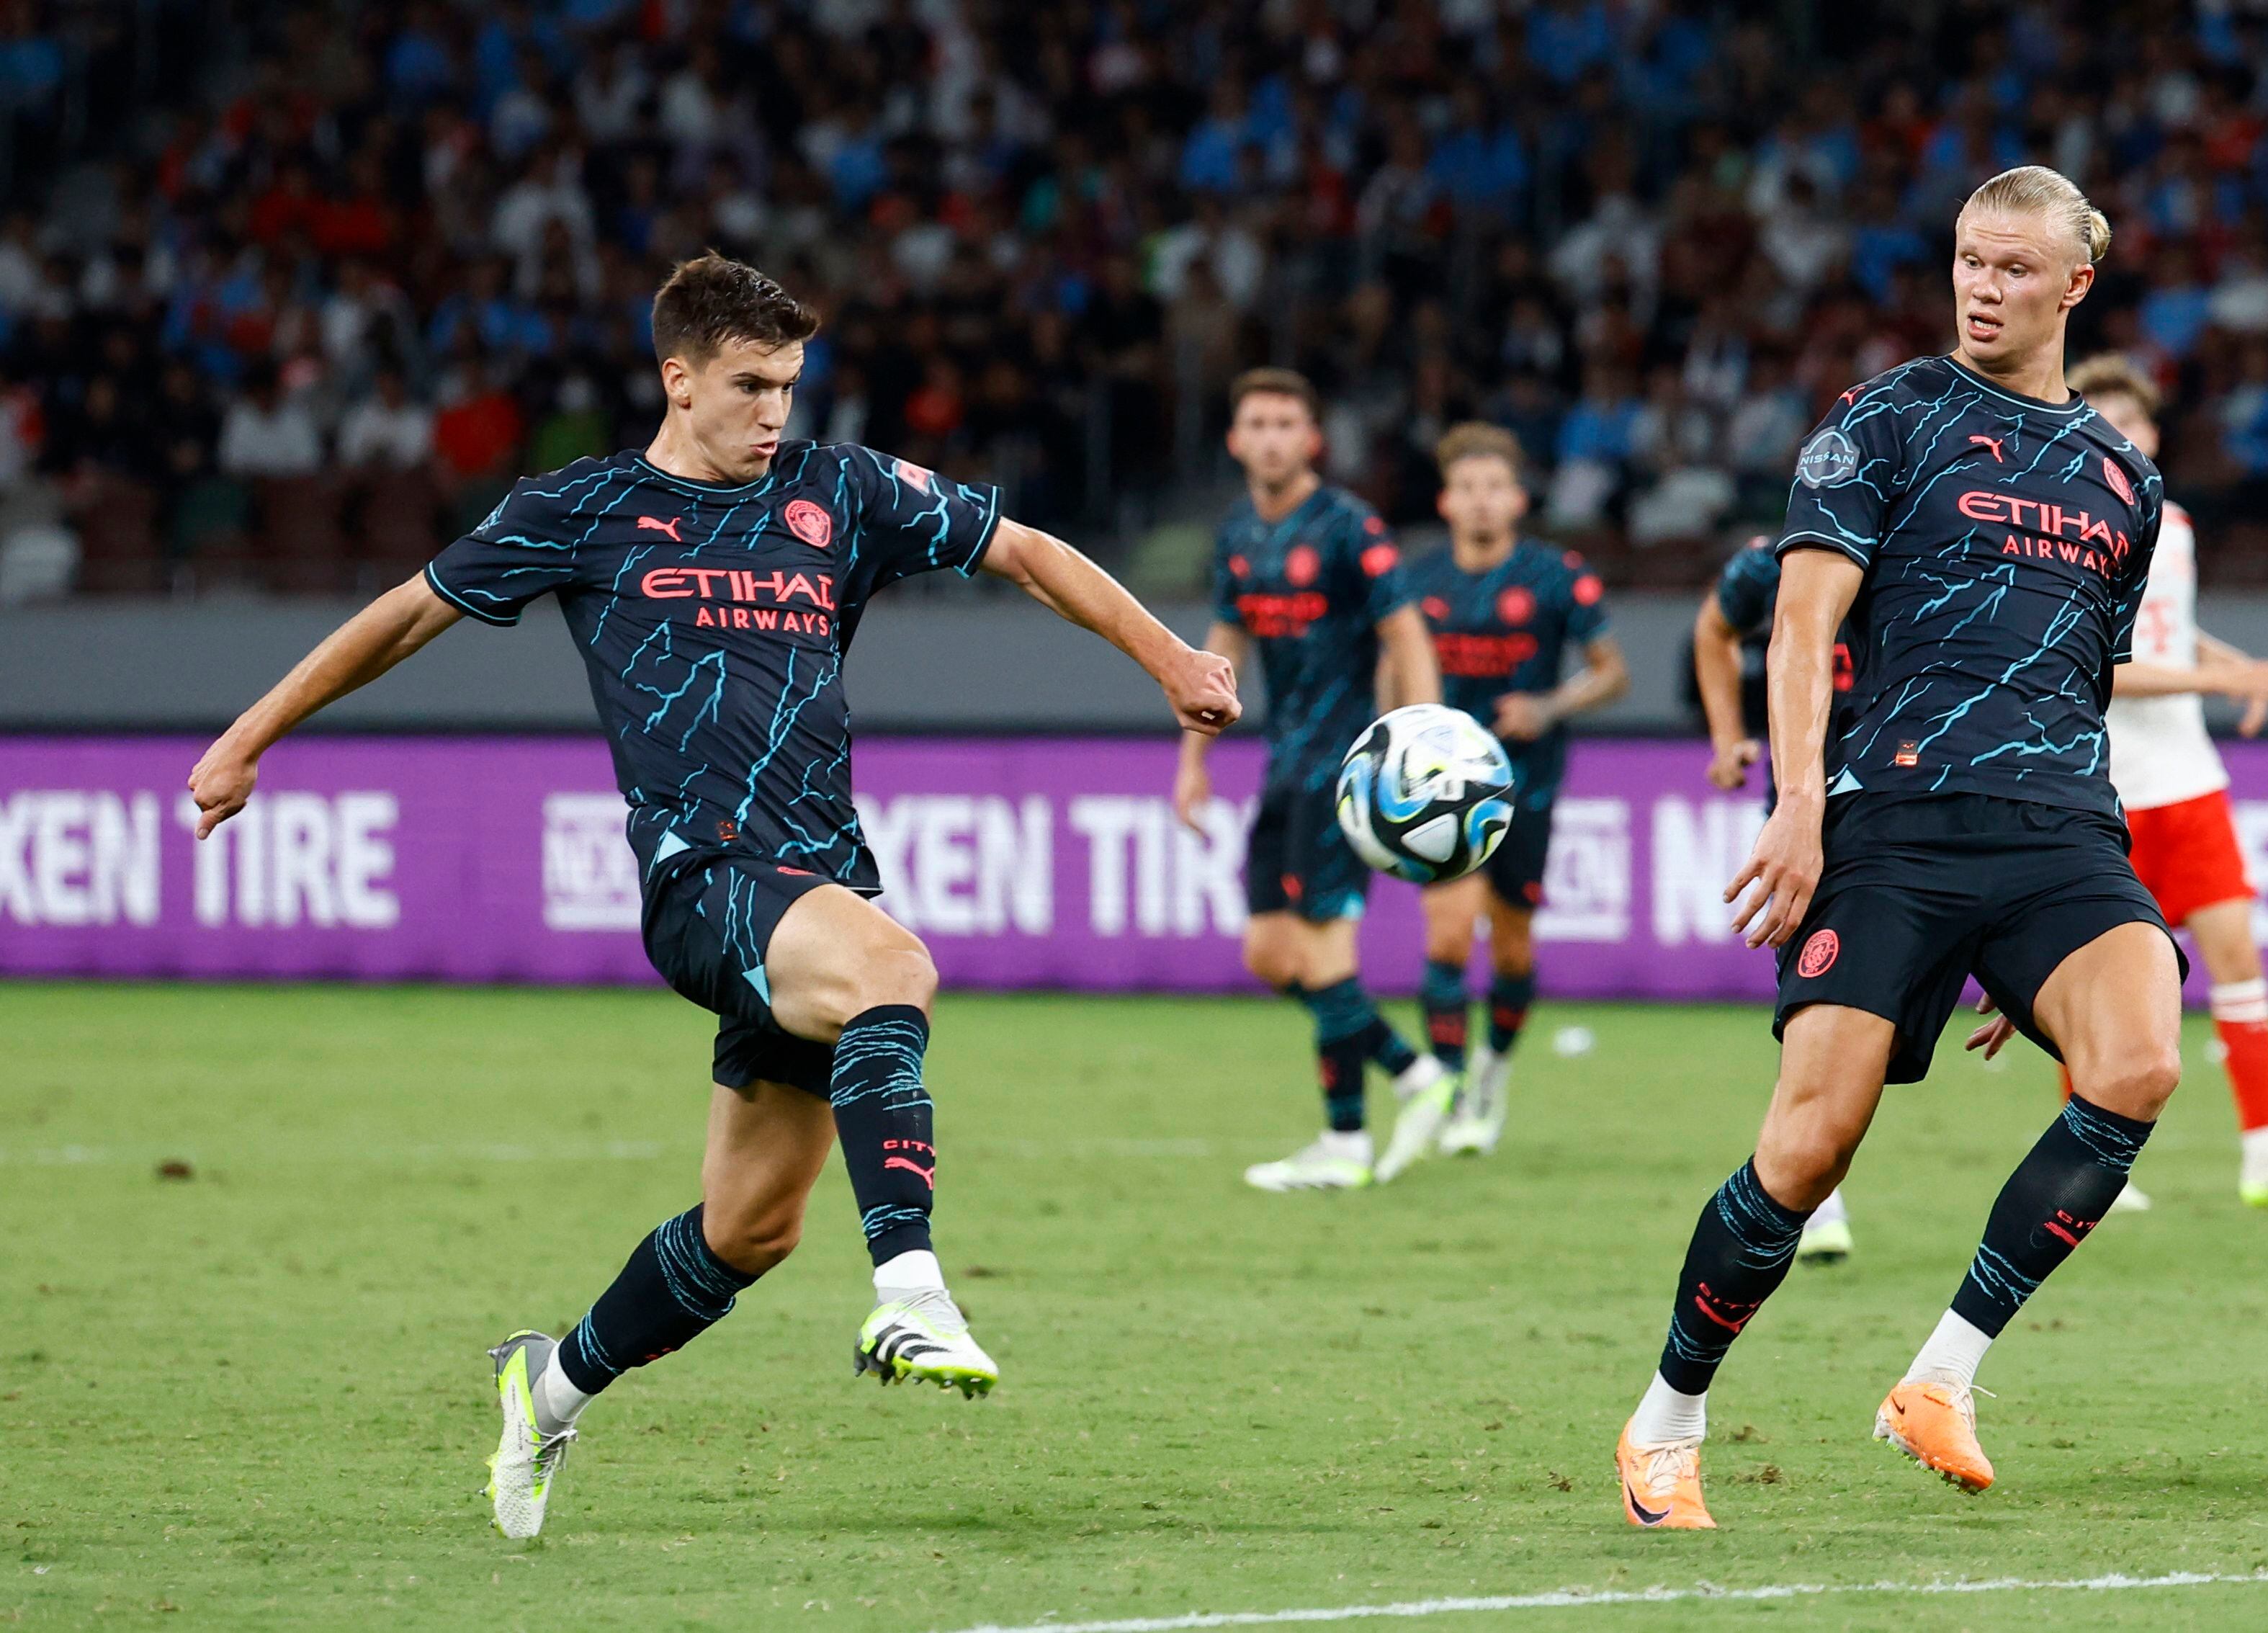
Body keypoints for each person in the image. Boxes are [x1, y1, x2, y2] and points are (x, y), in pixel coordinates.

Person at [187, 255, 1240, 1540]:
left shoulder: (842, 488)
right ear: (678, 379)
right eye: (749, 385)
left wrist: (1168, 656)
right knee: (895, 970)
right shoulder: (584, 507)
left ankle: (548, 1386)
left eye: (787, 385)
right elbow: (405, 618)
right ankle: (911, 1290)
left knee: (750, 1228)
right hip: (702, 874)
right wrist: (249, 734)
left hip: (815, 878)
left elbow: (1023, 550)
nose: (773, 412)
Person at [1613, 167, 2182, 1526]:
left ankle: (1941, 1374)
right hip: (1896, 821)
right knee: (1809, 1150)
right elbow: (1801, 628)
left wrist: (2039, 944)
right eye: (1970, 261)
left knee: (2140, 1059)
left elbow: (2083, 679)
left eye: (2014, 267)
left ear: (2075, 284)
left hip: (2059, 831)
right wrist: (1798, 803)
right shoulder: (1885, 417)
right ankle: (1667, 1420)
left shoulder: (2126, 479)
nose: (1983, 286)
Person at [2065, 354, 2268, 1212]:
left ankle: (2265, 1153)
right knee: (2097, 985)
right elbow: (2100, 668)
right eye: (2101, 420)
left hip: (2187, 782)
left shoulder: (2174, 525)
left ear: (2152, 435)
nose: (2120, 434)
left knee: (2237, 958)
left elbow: (2166, 631)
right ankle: (2091, 1170)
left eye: (2131, 421)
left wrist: (2234, 664)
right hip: (2101, 792)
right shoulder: (2065, 532)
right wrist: (2217, 681)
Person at [1174, 368, 1449, 1192]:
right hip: (1283, 762)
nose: (1270, 438)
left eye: (1285, 423)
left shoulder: (1348, 526)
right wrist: (1192, 758)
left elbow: (1405, 634)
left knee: (1325, 950)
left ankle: (1344, 1140)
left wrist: (1421, 737)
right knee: (1269, 952)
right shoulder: (1237, 532)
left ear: (1312, 439)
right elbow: (1223, 644)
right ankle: (1414, 1072)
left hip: (1345, 767)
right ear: (1235, 440)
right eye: (1256, 423)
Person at [1404, 423, 1629, 1155]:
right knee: (1446, 934)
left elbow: (1612, 673)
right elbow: (1393, 672)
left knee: (1510, 950)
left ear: (1518, 499)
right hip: (1441, 791)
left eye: (1494, 487)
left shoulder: (1555, 575)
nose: (1481, 501)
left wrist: (1547, 706)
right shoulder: (1418, 581)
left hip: (1525, 786)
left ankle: (1490, 1071)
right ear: (1445, 501)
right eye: (1467, 488)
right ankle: (1448, 1090)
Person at [1690, 537, 1856, 1262]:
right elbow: (1713, 628)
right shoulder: (1774, 559)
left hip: (1915, 802)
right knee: (1815, 1001)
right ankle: (1816, 1194)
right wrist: (1727, 736)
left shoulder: (1933, 537)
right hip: (1804, 818)